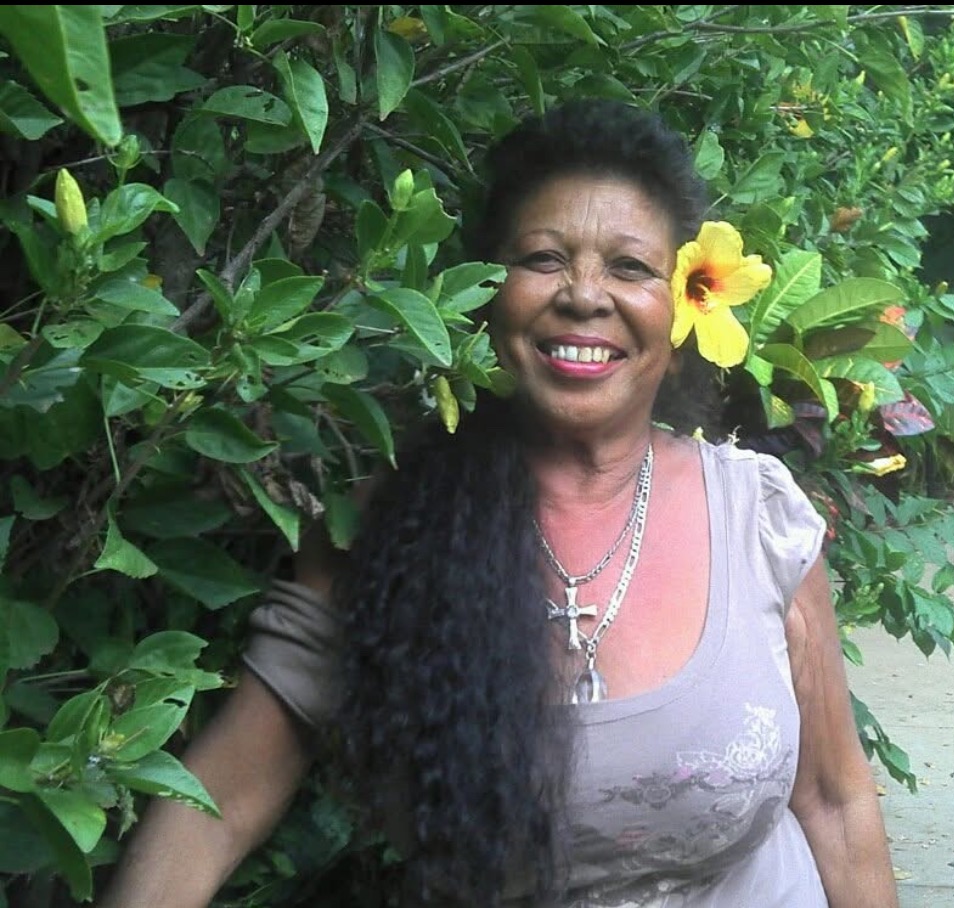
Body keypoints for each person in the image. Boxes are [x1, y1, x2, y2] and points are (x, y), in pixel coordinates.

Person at [99, 98, 899, 907]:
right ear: (484, 293)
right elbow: (223, 803)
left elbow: (834, 800)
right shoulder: (391, 527)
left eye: (630, 267)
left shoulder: (756, 515)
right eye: (544, 258)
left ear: (681, 313)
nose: (584, 295)